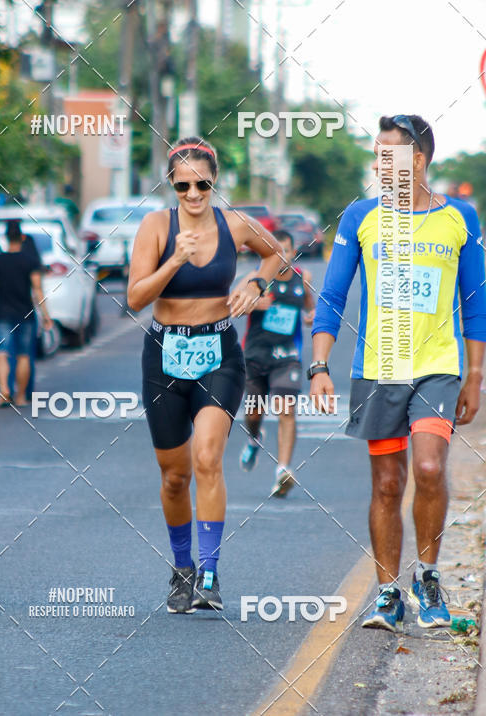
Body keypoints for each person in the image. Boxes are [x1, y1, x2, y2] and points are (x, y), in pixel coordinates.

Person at [310, 115, 486, 631]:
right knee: (388, 483)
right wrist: (320, 365)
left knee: (429, 469)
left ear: (419, 160)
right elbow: (333, 297)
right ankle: (388, 593)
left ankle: (427, 578)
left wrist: (475, 375)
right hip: (377, 368)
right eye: (377, 154)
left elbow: (474, 304)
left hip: (436, 368)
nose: (379, 164)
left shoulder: (460, 217)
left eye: (388, 154)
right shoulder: (360, 217)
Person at [128, 137, 283, 613]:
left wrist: (256, 280)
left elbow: (277, 253)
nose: (193, 194)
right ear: (171, 185)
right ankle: (182, 571)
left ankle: (210, 575)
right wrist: (174, 259)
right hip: (165, 354)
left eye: (202, 185)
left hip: (218, 351)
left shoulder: (233, 223)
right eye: (183, 186)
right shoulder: (156, 227)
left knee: (208, 457)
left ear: (214, 182)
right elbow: (135, 298)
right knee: (174, 476)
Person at [239, 230, 315, 496]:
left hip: (287, 356)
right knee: (253, 413)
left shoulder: (303, 278)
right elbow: (234, 305)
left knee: (286, 411)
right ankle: (254, 438)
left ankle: (282, 469)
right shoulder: (255, 279)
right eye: (276, 251)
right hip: (255, 355)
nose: (282, 257)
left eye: (286, 251)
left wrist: (310, 316)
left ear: (294, 253)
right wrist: (255, 304)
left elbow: (309, 307)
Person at [0, 221, 52, 406]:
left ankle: (4, 391)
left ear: (6, 238)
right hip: (25, 314)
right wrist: (46, 316)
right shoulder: (30, 261)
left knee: (1, 353)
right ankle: (20, 397)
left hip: (2, 313)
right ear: (22, 237)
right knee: (24, 356)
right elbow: (37, 290)